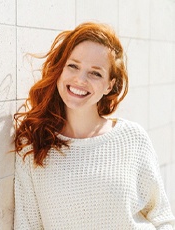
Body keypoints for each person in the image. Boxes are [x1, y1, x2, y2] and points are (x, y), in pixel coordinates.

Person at [13, 22, 175, 229]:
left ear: (109, 85)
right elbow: (27, 225)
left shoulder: (132, 138)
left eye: (95, 73)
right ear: (60, 70)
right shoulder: (34, 144)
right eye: (73, 66)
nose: (80, 79)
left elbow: (161, 217)